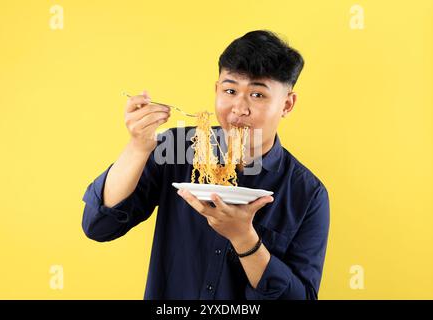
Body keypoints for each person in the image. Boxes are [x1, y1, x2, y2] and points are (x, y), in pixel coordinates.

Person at [82, 30, 330, 300]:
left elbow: (301, 297)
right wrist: (138, 147)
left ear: (287, 104)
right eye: (230, 90)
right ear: (216, 90)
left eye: (257, 95)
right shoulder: (177, 148)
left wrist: (244, 239)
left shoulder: (308, 193)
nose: (239, 108)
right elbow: (99, 226)